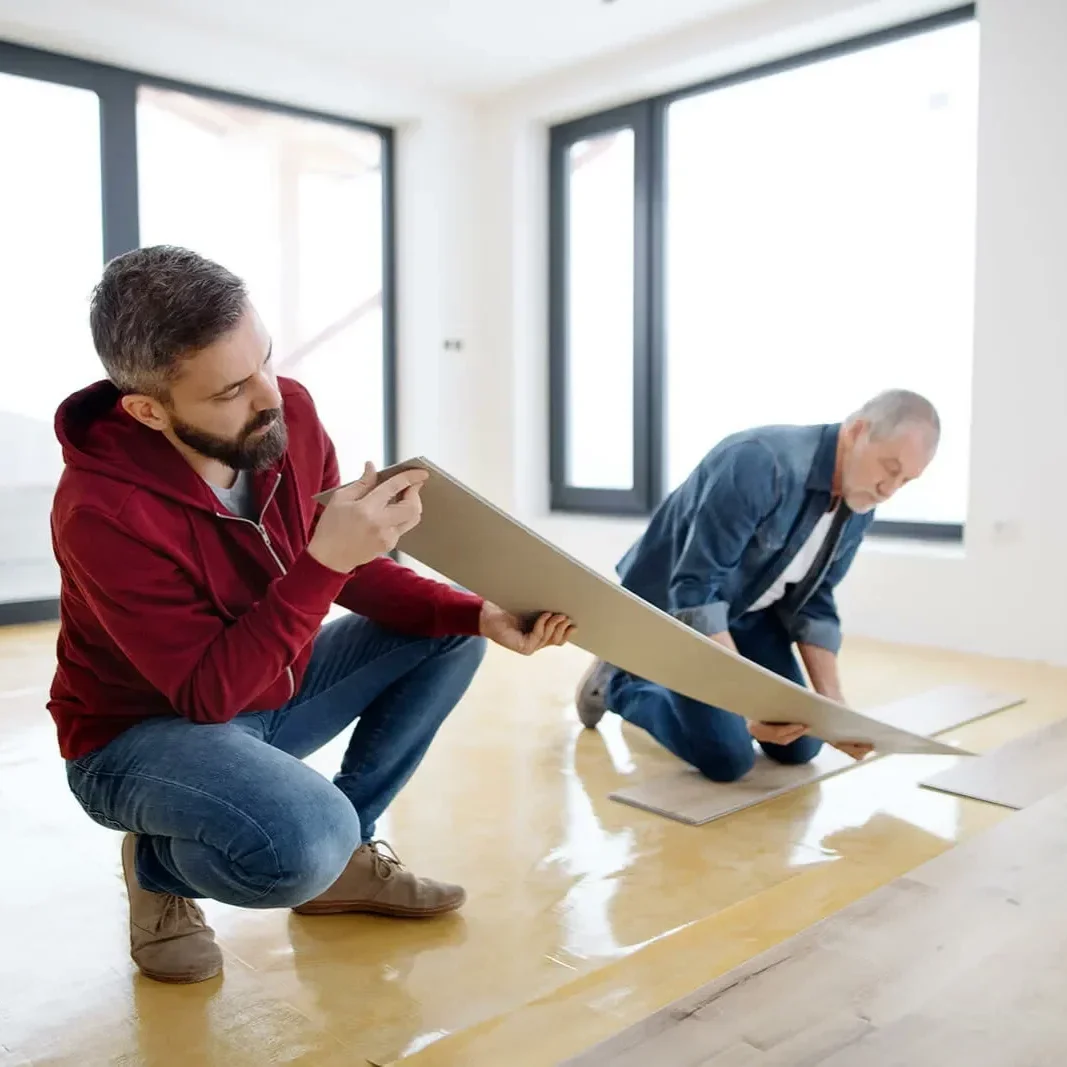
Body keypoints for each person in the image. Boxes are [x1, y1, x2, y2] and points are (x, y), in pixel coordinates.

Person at [49, 245, 574, 985]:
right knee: (299, 842)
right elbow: (209, 695)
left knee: (446, 637)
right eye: (232, 388)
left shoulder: (284, 412)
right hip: (138, 738)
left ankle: (346, 862)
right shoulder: (101, 511)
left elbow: (356, 577)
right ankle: (159, 866)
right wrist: (324, 561)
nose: (269, 395)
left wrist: (480, 613)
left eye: (264, 358)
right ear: (146, 409)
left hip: (264, 689)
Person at [575, 391, 940, 782]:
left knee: (801, 744)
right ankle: (618, 682)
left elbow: (815, 600)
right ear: (857, 431)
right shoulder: (759, 463)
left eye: (906, 481)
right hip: (671, 612)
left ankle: (705, 698)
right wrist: (748, 710)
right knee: (729, 758)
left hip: (748, 613)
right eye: (889, 467)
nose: (890, 489)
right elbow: (696, 592)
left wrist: (835, 710)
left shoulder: (861, 501)